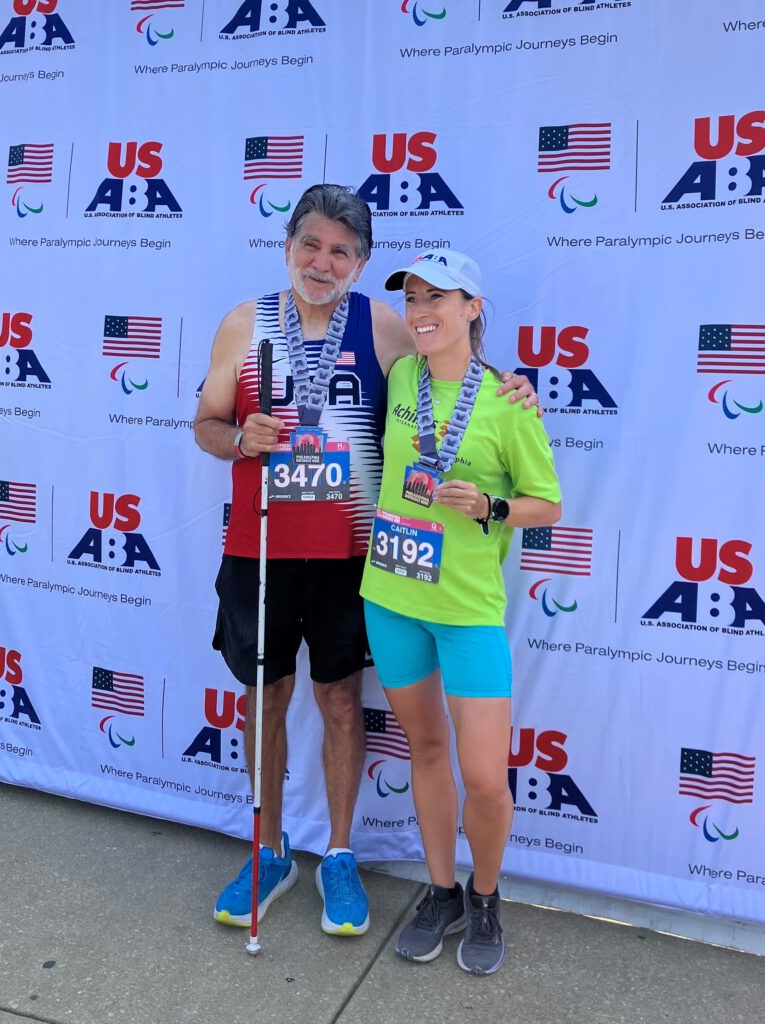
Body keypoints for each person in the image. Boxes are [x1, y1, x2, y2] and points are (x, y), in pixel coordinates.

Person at [193, 185, 540, 938]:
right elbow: (205, 424)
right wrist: (236, 439)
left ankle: (340, 855)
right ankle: (268, 848)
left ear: (361, 261)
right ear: (288, 246)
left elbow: (453, 368)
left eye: (342, 251)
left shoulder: (382, 324)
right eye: (311, 245)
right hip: (260, 548)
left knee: (342, 702)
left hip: (356, 553)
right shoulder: (243, 324)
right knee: (266, 698)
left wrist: (515, 384)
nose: (324, 262)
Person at [360, 249, 562, 975]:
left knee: (483, 776)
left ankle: (484, 895)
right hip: (389, 597)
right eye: (412, 296)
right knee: (424, 751)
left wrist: (489, 505)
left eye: (436, 297)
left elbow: (548, 502)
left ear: (473, 308)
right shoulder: (400, 372)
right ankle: (439, 891)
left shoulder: (508, 403)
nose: (420, 310)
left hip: (467, 610)